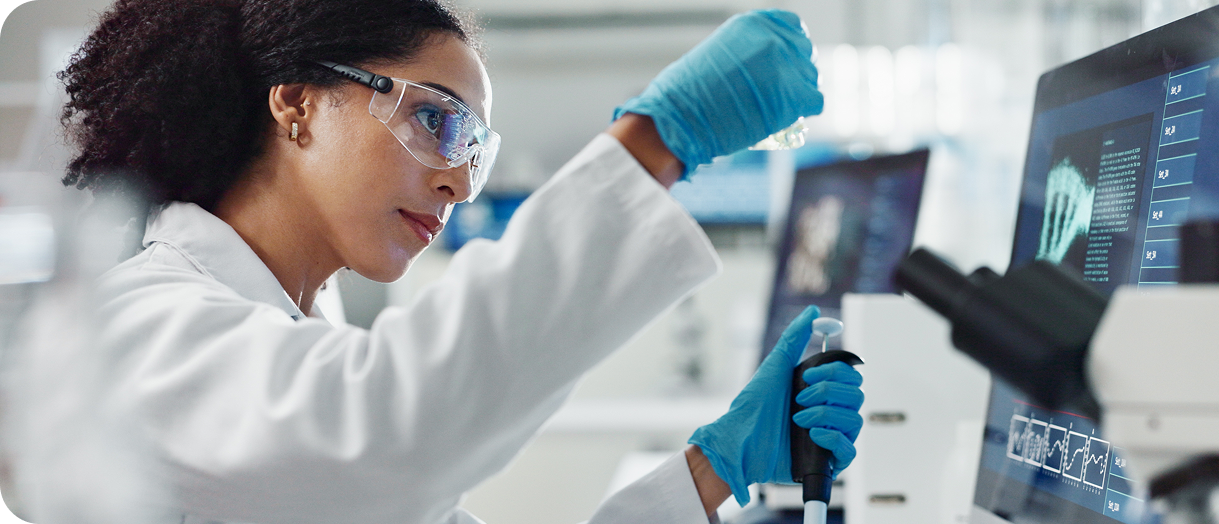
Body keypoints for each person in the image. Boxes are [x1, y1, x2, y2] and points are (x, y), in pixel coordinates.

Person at [44, 0, 865, 522]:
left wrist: (710, 470)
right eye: (438, 123)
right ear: (296, 103)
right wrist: (656, 142)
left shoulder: (288, 338)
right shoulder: (139, 326)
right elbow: (385, 433)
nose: (458, 182)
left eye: (475, 149)